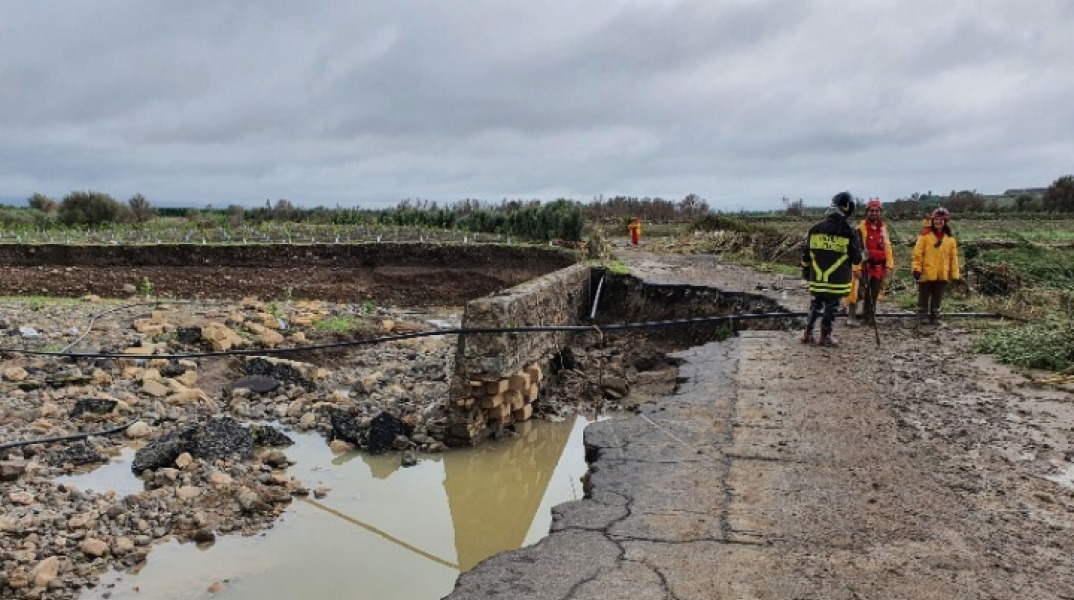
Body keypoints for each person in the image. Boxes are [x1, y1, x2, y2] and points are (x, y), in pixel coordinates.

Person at [801, 191, 863, 347]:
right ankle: (826, 336)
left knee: (815, 304)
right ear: (848, 207)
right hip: (836, 280)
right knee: (831, 306)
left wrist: (806, 272)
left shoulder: (815, 229)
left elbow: (806, 255)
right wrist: (864, 253)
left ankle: (807, 333)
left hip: (817, 277)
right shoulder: (849, 231)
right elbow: (856, 258)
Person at [846, 199, 894, 326]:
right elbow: (855, 250)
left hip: (878, 268)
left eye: (876, 211)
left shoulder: (883, 229)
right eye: (872, 211)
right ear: (867, 212)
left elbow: (887, 248)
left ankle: (869, 317)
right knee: (857, 292)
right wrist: (856, 268)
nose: (874, 213)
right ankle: (851, 317)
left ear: (880, 212)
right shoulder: (860, 229)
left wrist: (889, 265)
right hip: (863, 266)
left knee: (873, 293)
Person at [911, 207, 960, 325]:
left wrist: (954, 273)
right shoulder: (924, 236)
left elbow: (953, 258)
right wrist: (916, 269)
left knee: (938, 295)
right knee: (924, 294)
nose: (938, 222)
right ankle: (922, 315)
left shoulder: (950, 239)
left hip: (942, 272)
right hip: (926, 272)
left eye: (941, 220)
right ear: (933, 220)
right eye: (936, 219)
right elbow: (917, 254)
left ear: (945, 221)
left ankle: (935, 316)